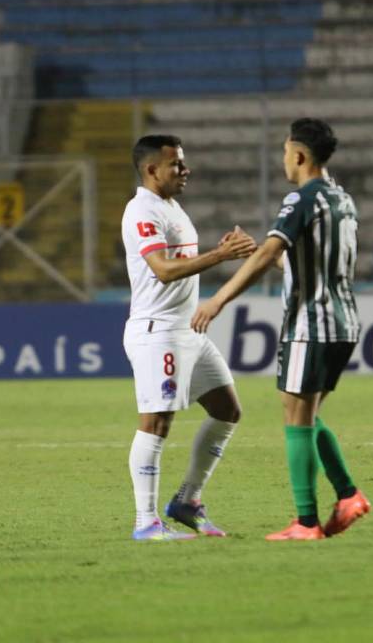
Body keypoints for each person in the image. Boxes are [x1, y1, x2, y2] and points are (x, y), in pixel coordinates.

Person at [193, 118, 371, 541]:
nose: (283, 160)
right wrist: (257, 250)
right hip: (344, 321)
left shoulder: (302, 198)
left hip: (311, 323)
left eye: (284, 151)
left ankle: (307, 522)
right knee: (306, 413)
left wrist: (218, 300)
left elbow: (274, 253)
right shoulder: (341, 199)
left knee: (295, 414)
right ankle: (347, 496)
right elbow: (294, 260)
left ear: (299, 155)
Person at [122, 134, 257, 540]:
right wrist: (220, 256)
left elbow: (179, 260)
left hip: (187, 330)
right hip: (158, 332)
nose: (185, 170)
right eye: (176, 164)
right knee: (157, 422)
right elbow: (162, 269)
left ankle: (186, 501)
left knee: (227, 411)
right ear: (151, 170)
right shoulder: (141, 211)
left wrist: (216, 250)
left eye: (183, 163)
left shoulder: (170, 207)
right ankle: (146, 521)